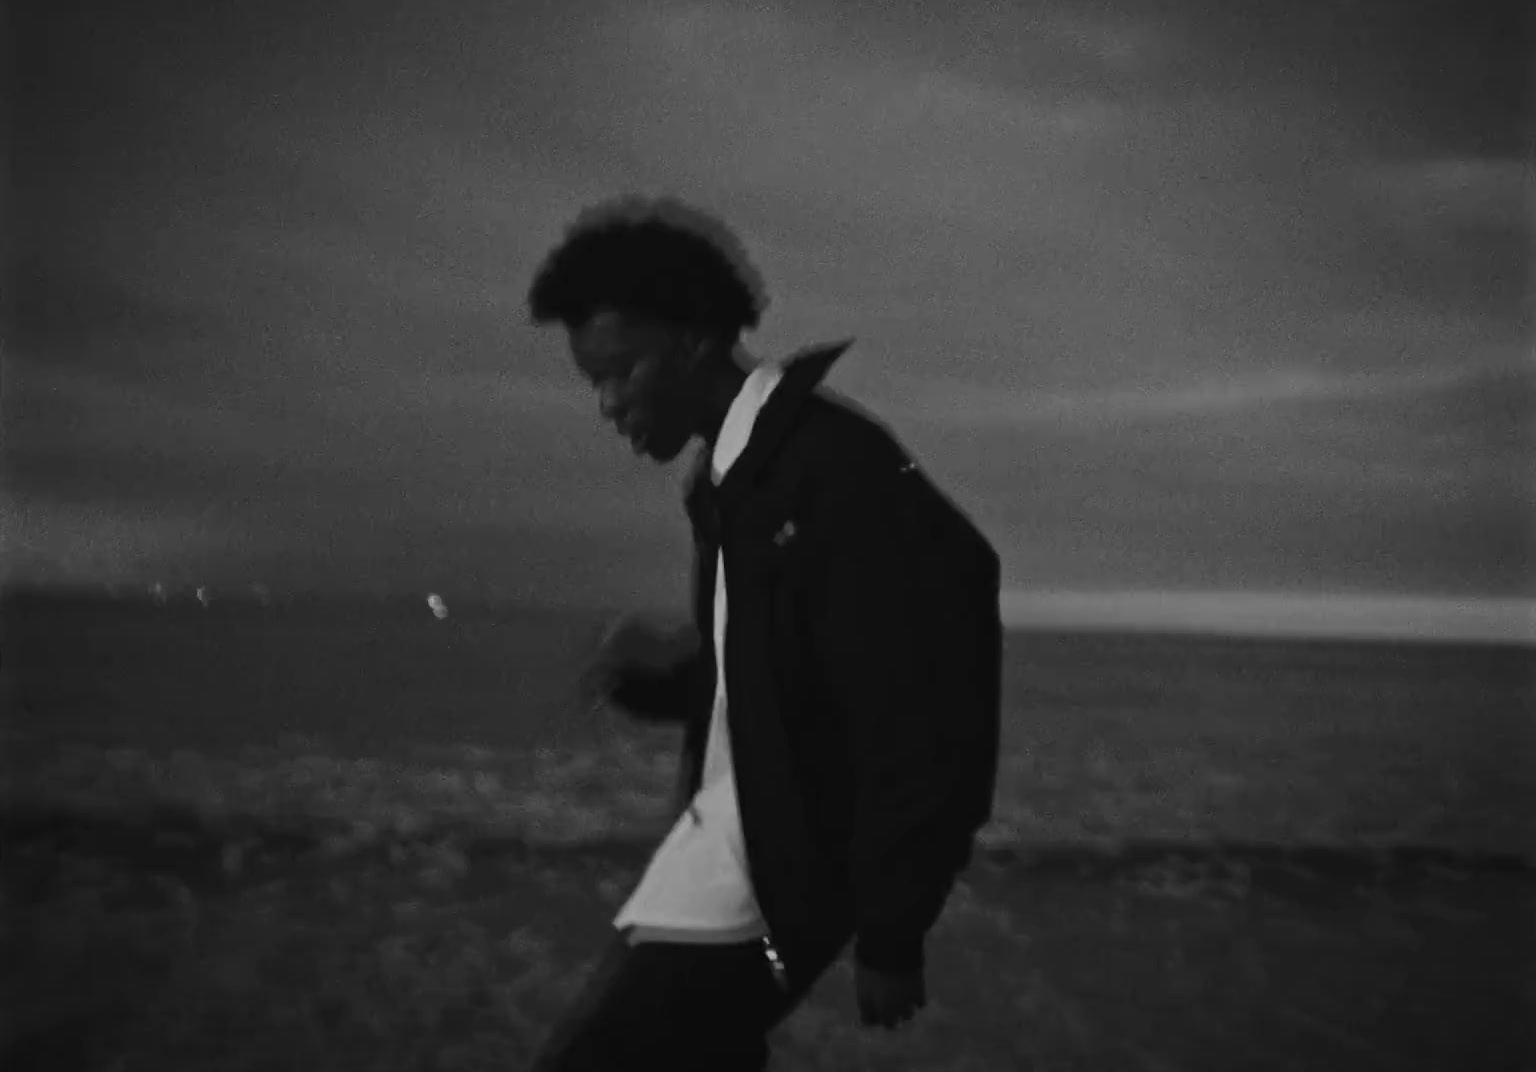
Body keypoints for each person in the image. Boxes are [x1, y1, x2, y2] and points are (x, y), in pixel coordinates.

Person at [525, 195, 1002, 1071]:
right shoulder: (734, 483)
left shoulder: (832, 469)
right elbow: (780, 684)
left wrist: (895, 929)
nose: (605, 403)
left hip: (767, 867)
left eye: (620, 371)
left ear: (695, 340)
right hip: (728, 840)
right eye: (593, 380)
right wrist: (658, 683)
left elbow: (926, 696)